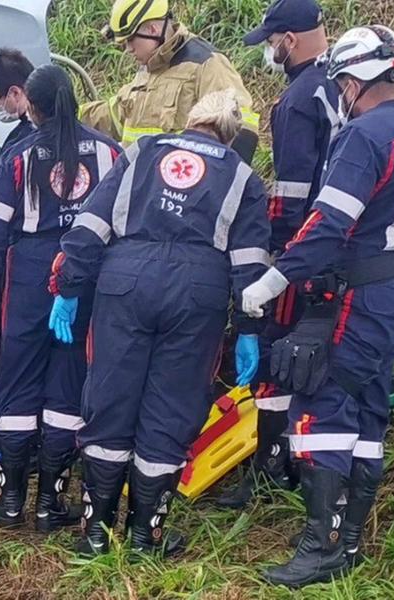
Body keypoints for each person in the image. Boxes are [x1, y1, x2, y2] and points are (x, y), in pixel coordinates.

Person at [242, 26, 394, 587]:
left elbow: (330, 222)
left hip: (359, 291)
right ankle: (349, 541)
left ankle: (320, 546)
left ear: (354, 82)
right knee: (368, 408)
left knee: (324, 405)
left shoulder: (364, 136)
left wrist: (275, 278)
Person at [53, 90, 269, 556]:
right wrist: (250, 329)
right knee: (170, 410)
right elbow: (250, 265)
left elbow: (92, 223)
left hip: (125, 283)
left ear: (189, 120)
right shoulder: (241, 176)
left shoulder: (142, 151)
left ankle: (95, 532)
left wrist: (70, 288)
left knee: (109, 399)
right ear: (231, 138)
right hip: (197, 294)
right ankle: (145, 539)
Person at [0, 64, 122, 532]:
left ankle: (11, 502)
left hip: (31, 278)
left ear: (30, 106)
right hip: (85, 277)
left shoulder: (18, 156)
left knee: (17, 384)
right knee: (67, 387)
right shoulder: (112, 153)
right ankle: (51, 504)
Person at [218, 0, 342, 509]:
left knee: (273, 354)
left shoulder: (297, 100)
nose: (269, 50)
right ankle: (296, 459)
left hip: (302, 248)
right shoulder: (344, 85)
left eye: (271, 41)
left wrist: (277, 254)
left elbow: (291, 193)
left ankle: (270, 468)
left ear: (288, 40)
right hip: (343, 245)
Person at [79, 0, 261, 163]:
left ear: (152, 29)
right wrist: (68, 113)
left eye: (131, 40)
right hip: (141, 190)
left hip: (181, 192)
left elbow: (242, 129)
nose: (128, 49)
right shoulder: (147, 71)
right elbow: (113, 115)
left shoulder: (207, 64)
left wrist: (216, 186)